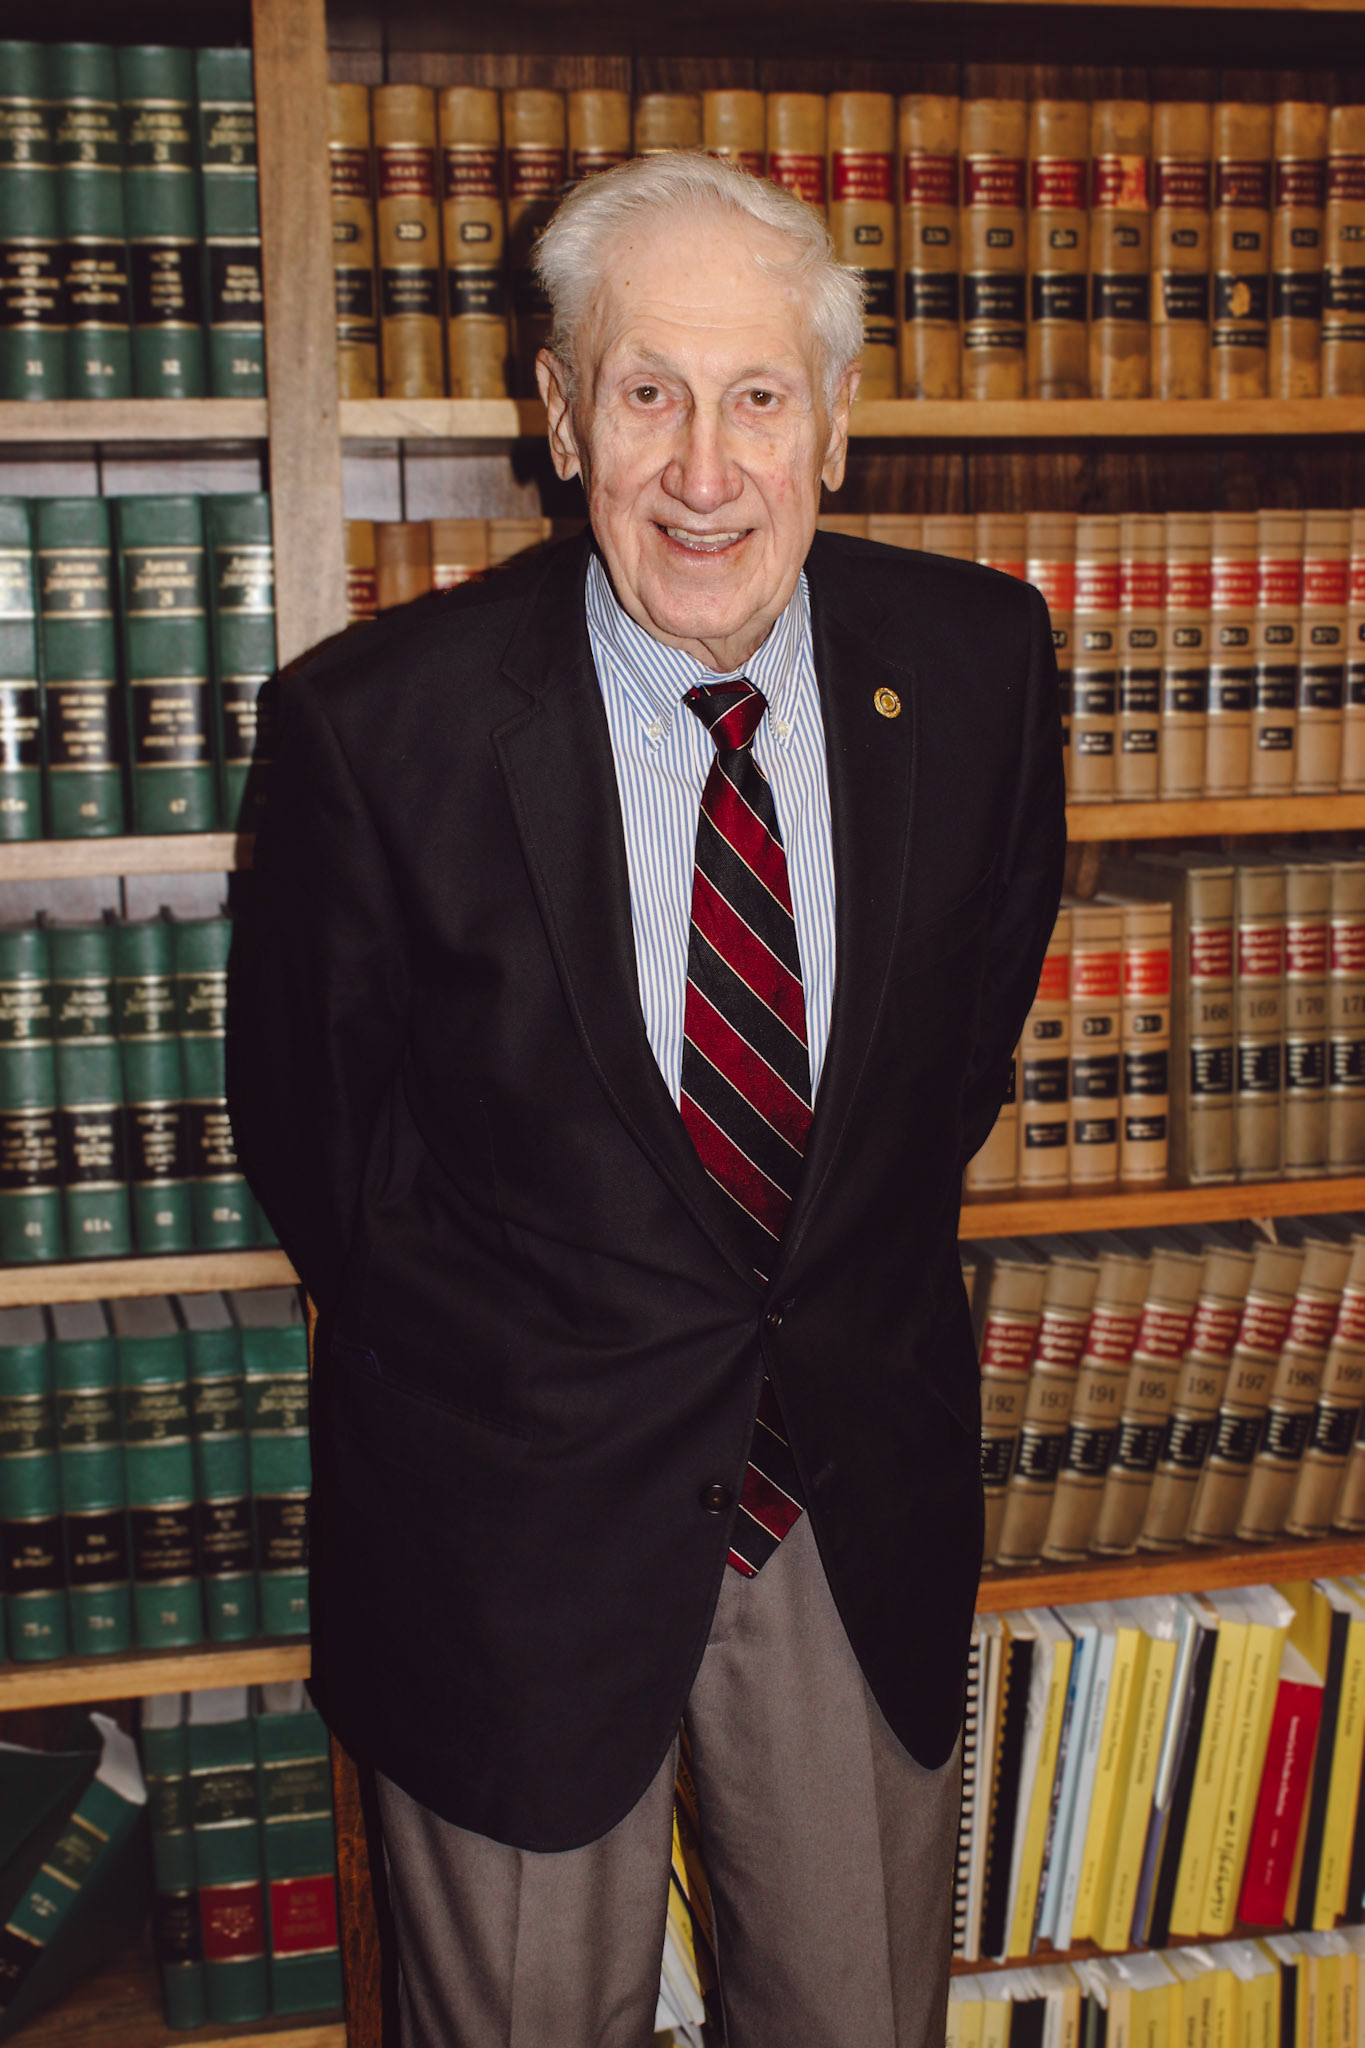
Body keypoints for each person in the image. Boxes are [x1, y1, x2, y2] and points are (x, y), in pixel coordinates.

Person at [228, 151, 1065, 2048]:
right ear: (558, 417)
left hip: (843, 1506)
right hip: (506, 1534)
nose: (705, 469)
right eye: (645, 393)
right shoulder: (377, 727)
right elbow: (316, 1144)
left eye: (757, 396)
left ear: (833, 423)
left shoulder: (980, 668)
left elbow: (949, 1067)